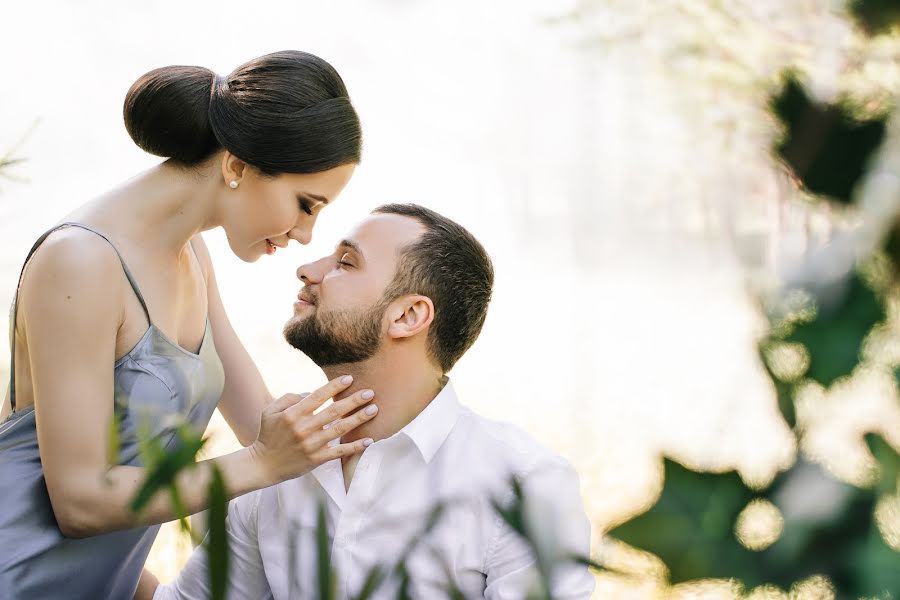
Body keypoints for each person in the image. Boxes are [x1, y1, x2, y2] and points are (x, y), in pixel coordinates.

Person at [0, 50, 381, 599]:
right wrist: (262, 463)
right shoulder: (80, 263)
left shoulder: (193, 256)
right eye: (305, 204)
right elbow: (80, 500)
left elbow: (262, 424)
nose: (305, 235)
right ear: (236, 166)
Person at [150, 204, 595, 599]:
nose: (308, 268)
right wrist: (84, 535)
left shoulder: (523, 483)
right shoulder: (279, 466)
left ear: (407, 316)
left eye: (346, 262)